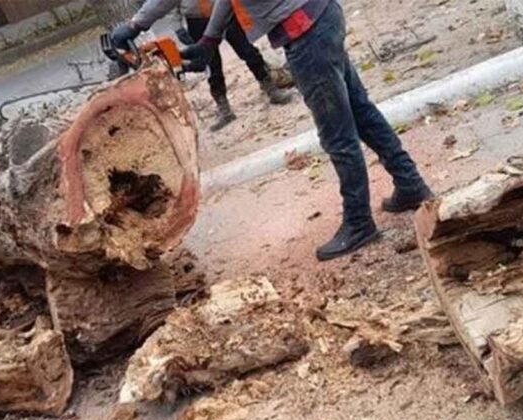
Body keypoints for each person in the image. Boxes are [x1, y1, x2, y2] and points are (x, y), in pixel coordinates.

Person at [168, 0, 433, 261]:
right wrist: (210, 39)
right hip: (321, 15)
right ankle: (410, 183)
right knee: (360, 111)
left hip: (306, 31)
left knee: (336, 133)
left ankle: (359, 221)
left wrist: (144, 24)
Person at [111, 0, 292, 132]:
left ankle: (270, 88)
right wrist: (140, 24)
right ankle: (223, 107)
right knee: (211, 64)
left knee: (248, 51)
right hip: (197, 18)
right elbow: (170, 7)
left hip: (226, 11)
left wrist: (137, 24)